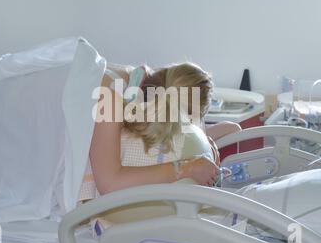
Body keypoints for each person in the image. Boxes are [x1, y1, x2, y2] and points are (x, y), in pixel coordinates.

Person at [87, 62, 241, 197]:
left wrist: (204, 140)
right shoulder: (110, 99)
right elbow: (109, 183)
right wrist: (187, 168)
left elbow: (234, 128)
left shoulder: (143, 84)